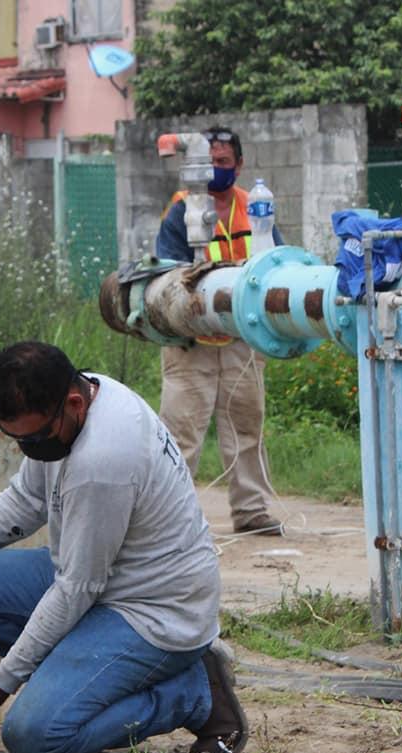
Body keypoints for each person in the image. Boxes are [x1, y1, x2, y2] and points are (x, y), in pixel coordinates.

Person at [0, 341, 248, 753]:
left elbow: (76, 589)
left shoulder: (103, 463)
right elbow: (25, 501)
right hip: (101, 580)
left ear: (73, 403)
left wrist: (3, 680)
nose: (31, 448)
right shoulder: (86, 396)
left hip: (154, 613)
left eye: (36, 437)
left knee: (34, 736)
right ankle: (79, 682)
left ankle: (191, 693)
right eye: (18, 439)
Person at [156, 126, 283, 536]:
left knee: (247, 425)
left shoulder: (255, 208)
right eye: (209, 162)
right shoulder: (182, 211)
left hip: (240, 337)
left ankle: (251, 511)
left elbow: (273, 263)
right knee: (181, 431)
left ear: (240, 165)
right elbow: (168, 273)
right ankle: (167, 520)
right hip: (190, 339)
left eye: (224, 163)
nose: (216, 170)